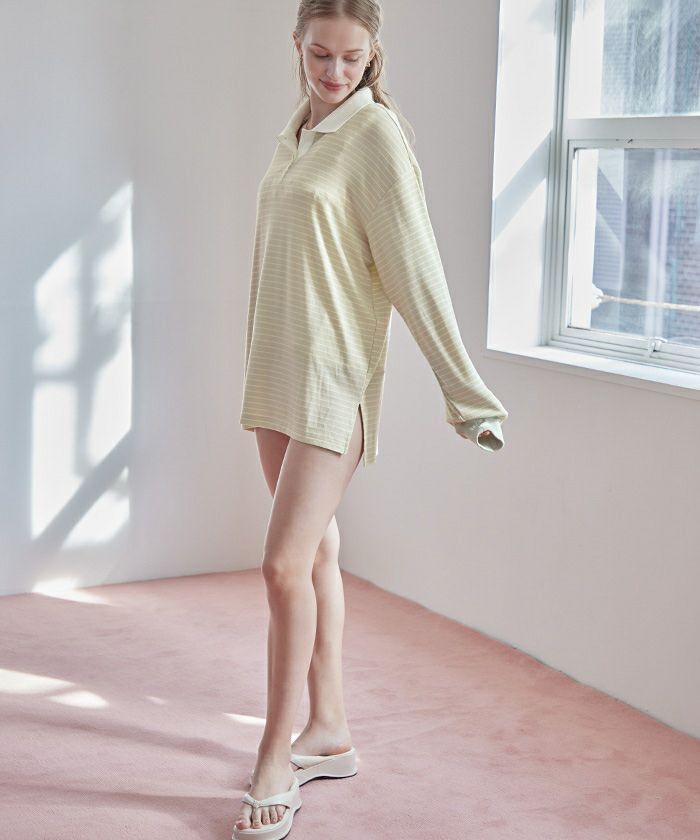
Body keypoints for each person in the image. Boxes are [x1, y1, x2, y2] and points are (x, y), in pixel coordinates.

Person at [234, 2, 508, 837]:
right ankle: (330, 730)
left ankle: (274, 757)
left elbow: (416, 272)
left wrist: (467, 394)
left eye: (351, 59)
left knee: (281, 566)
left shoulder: (375, 137)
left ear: (373, 54)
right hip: (276, 374)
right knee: (317, 554)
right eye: (320, 55)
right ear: (297, 45)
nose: (334, 73)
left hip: (332, 384)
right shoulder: (297, 134)